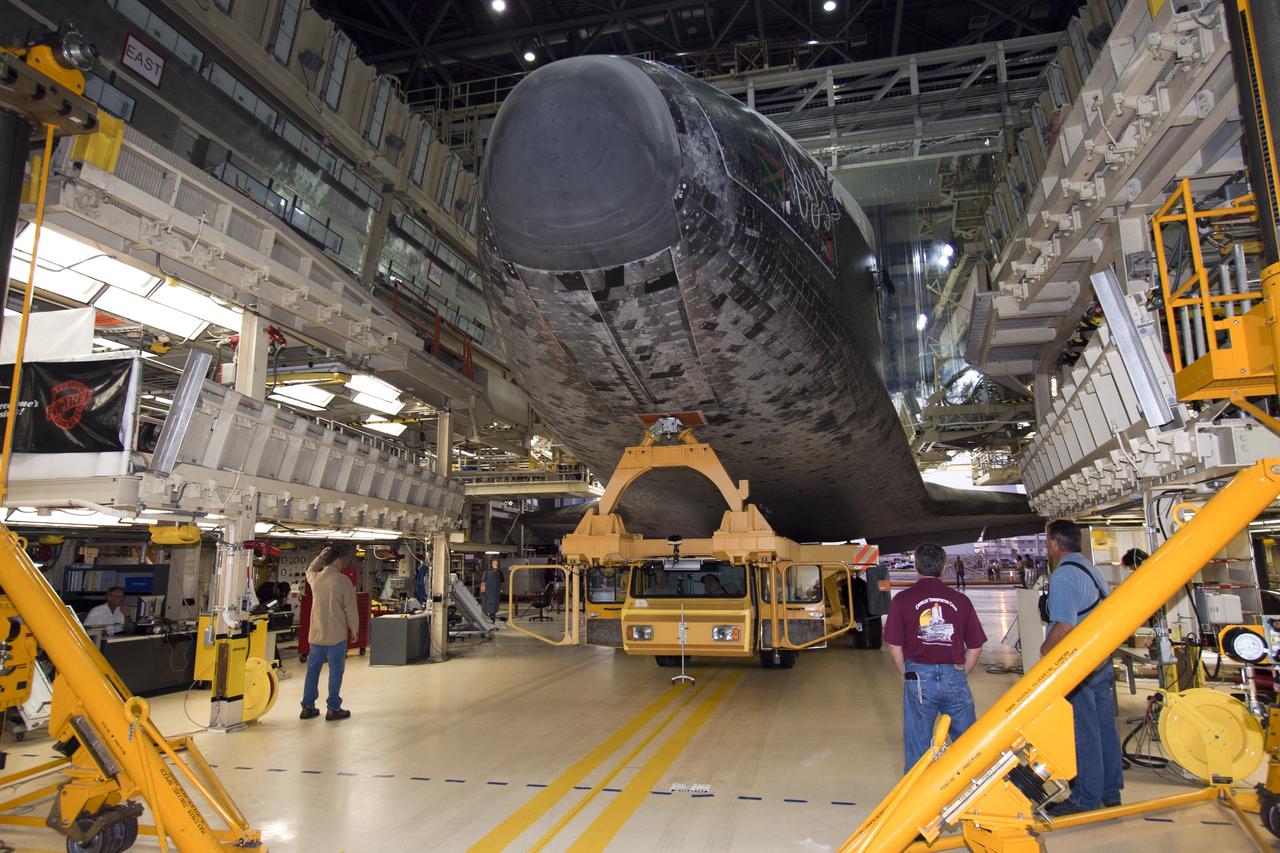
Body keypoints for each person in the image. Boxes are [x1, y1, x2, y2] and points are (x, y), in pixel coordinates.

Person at [1041, 519, 1123, 814]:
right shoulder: (1090, 568)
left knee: (1083, 729)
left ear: (1054, 544)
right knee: (1104, 725)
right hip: (1100, 657)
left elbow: (1064, 624)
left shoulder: (1063, 576)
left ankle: (1085, 797)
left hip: (1079, 663)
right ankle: (1110, 790)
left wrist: (1045, 651)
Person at [884, 543, 987, 772]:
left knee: (918, 747)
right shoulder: (960, 600)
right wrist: (960, 673)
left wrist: (907, 673)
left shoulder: (902, 600)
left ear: (916, 566)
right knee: (968, 746)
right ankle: (972, 786)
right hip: (954, 676)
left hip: (918, 677)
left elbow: (894, 646)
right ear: (944, 567)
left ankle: (917, 789)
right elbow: (975, 647)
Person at [301, 544, 359, 722]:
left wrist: (319, 556)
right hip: (336, 636)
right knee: (335, 671)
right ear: (337, 560)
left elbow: (309, 570)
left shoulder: (316, 578)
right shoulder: (343, 581)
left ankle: (307, 707)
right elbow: (350, 608)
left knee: (312, 671)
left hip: (316, 635)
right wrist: (354, 629)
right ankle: (333, 708)